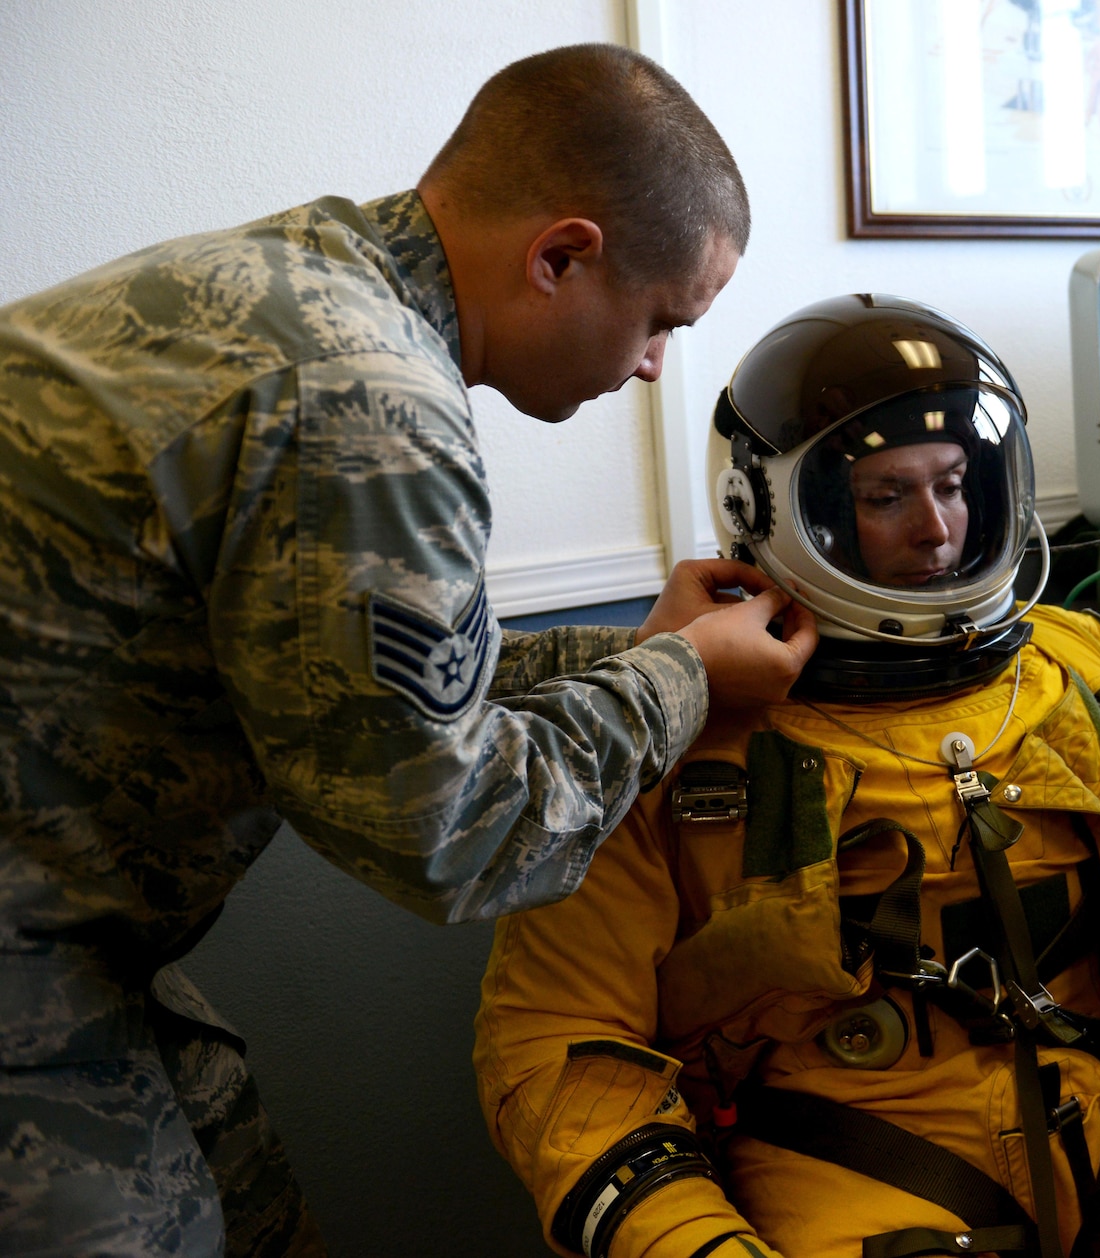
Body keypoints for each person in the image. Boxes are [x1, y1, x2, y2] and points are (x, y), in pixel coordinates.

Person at [0, 43, 815, 1258]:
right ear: (561, 256)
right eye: (657, 323)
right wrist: (685, 681)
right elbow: (448, 830)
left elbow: (376, 682)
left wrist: (643, 645)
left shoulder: (301, 281)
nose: (652, 365)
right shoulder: (368, 399)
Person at [472, 296, 1100, 1258]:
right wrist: (685, 1236)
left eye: (952, 483)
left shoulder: (1082, 668)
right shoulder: (671, 726)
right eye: (884, 495)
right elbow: (560, 1041)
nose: (936, 527)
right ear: (778, 509)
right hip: (854, 1148)